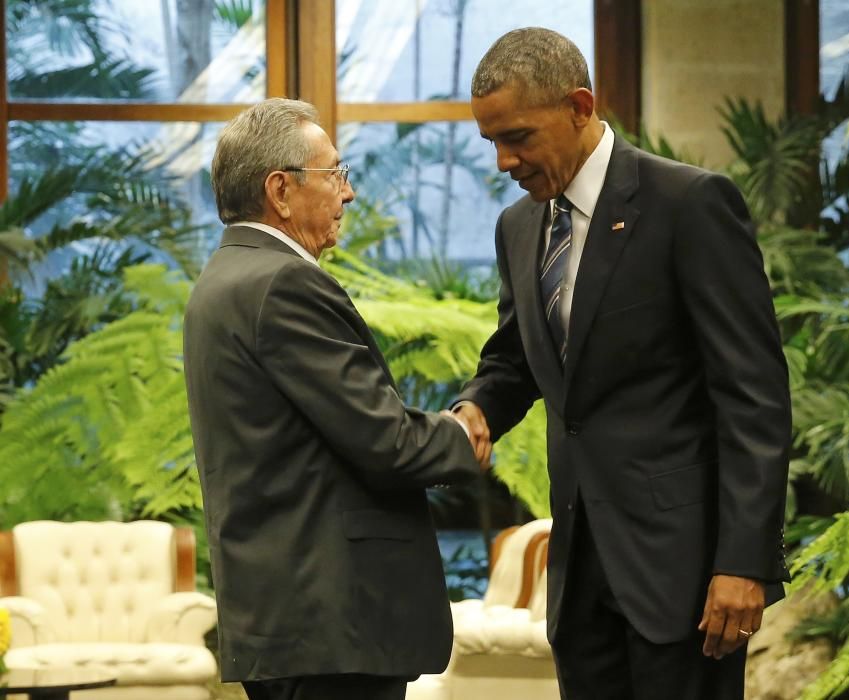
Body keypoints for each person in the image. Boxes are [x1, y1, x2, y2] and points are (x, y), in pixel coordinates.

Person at [452, 28, 792, 699]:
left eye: (516, 137)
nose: (501, 161)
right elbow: (517, 360)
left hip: (685, 577)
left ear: (579, 106)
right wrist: (475, 408)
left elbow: (752, 398)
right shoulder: (518, 228)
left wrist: (743, 563)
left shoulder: (688, 204)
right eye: (489, 140)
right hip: (579, 576)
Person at [183, 98, 481, 700]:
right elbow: (385, 439)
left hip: (289, 622)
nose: (347, 194)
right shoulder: (284, 283)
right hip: (330, 626)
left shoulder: (221, 280)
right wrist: (462, 434)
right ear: (281, 191)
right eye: (335, 174)